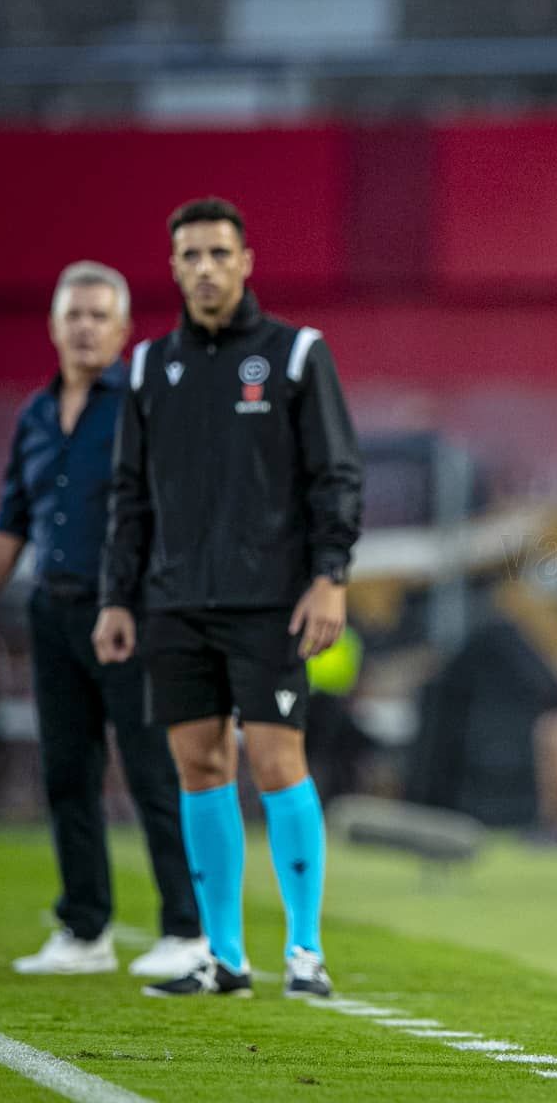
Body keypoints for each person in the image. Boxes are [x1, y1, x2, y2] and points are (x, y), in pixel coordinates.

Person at [93, 198, 362, 999]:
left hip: (270, 604)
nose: (205, 267)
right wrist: (117, 599)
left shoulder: (294, 354)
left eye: (218, 253)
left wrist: (330, 576)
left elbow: (336, 476)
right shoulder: (146, 367)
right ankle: (223, 955)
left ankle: (306, 951)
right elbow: (129, 496)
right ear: (173, 268)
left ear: (246, 261)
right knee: (199, 766)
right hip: (173, 604)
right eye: (190, 256)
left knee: (278, 762)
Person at [0, 262, 204, 979]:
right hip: (51, 614)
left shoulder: (145, 407)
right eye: (72, 314)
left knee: (151, 771)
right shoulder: (35, 416)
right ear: (53, 326)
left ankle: (187, 928)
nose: (83, 327)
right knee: (66, 773)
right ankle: (85, 930)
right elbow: (10, 526)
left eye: (97, 315)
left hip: (131, 614)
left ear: (122, 330)